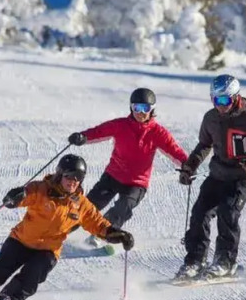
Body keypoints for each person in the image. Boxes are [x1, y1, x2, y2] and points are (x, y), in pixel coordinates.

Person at [0, 154, 132, 300]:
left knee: (33, 274)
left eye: (78, 178)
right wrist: (15, 198)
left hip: (48, 250)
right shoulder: (42, 189)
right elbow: (26, 195)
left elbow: (98, 224)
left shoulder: (81, 204)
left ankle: (7, 299)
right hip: (20, 241)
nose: (73, 182)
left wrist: (117, 235)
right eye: (69, 176)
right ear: (60, 174)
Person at [176, 74, 246, 279]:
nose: (220, 105)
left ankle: (225, 262)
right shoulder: (210, 118)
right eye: (216, 100)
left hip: (244, 176)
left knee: (228, 211)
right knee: (200, 213)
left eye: (225, 100)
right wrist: (189, 167)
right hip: (218, 173)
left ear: (236, 97)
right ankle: (195, 261)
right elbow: (204, 145)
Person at [66, 87, 189, 240]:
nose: (141, 112)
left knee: (123, 208)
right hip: (113, 175)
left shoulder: (158, 133)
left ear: (152, 109)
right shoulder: (121, 125)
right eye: (137, 108)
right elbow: (99, 131)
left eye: (145, 108)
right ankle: (62, 228)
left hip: (137, 183)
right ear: (131, 108)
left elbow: (174, 150)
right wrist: (83, 137)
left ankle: (101, 237)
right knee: (89, 205)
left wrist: (188, 166)